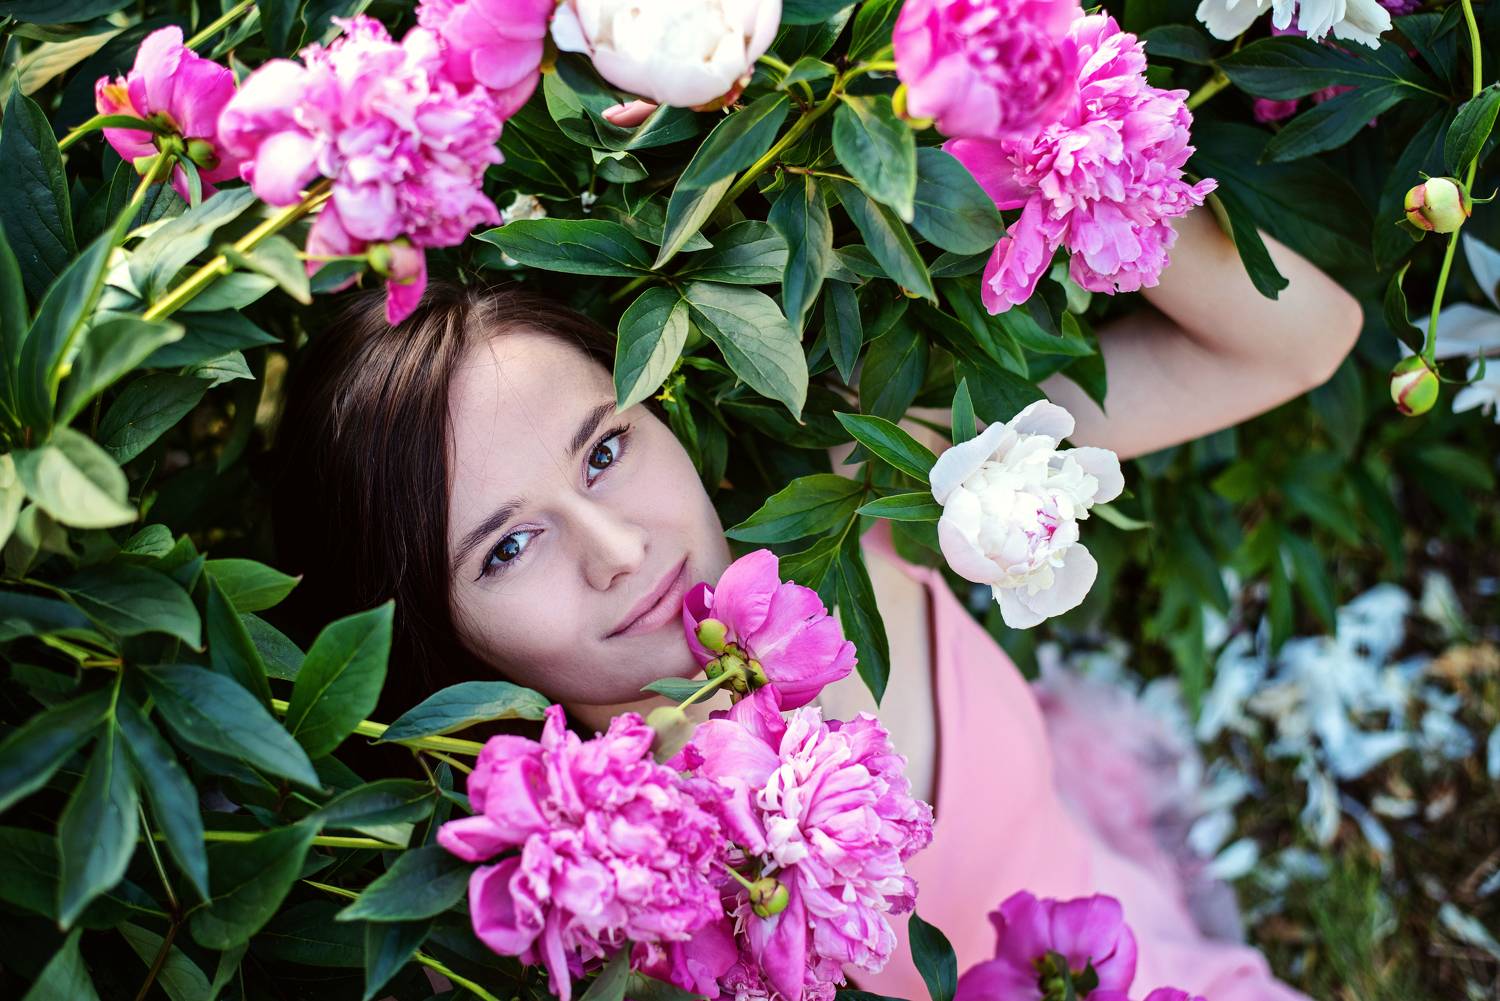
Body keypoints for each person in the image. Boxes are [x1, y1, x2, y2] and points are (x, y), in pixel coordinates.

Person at [272, 196, 1361, 1000]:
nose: (619, 549)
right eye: (508, 546)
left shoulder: (852, 503)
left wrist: (1072, 141)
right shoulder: (587, 917)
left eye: (604, 449)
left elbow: (1298, 345)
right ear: (429, 629)